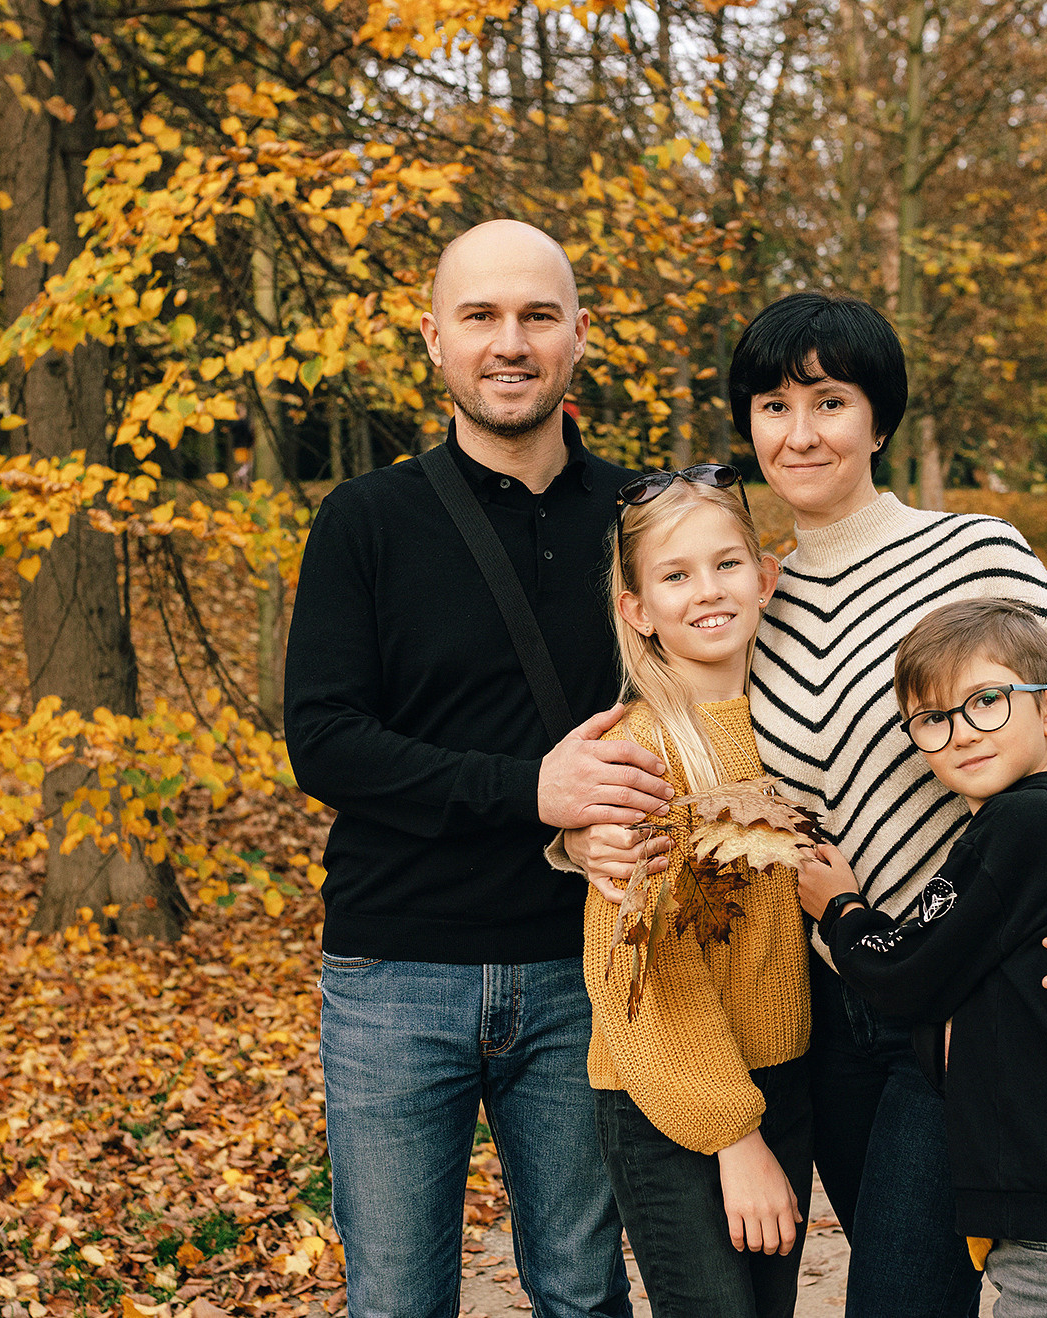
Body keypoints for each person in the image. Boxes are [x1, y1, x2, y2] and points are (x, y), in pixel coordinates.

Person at [560, 292, 1047, 1317]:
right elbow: (689, 753)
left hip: (970, 1001)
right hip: (831, 1020)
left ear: (878, 417)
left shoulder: (975, 555)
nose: (799, 432)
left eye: (829, 400)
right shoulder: (751, 597)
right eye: (771, 405)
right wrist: (578, 831)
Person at [285, 219, 673, 1318]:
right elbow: (323, 739)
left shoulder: (640, 520)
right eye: (481, 316)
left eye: (537, 316)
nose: (510, 342)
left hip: (582, 965)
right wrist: (529, 793)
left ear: (578, 337)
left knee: (581, 1291)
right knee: (399, 1299)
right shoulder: (366, 520)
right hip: (394, 973)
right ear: (433, 340)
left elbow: (702, 707)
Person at [796, 597, 1047, 1318]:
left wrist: (841, 909)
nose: (961, 734)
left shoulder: (1025, 825)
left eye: (986, 702)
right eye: (932, 720)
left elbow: (910, 972)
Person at [581, 466, 811, 1318]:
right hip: (674, 1101)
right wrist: (736, 1137)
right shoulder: (642, 756)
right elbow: (639, 982)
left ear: (766, 576)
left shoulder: (792, 729)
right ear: (637, 609)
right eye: (675, 576)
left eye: (726, 565)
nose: (706, 592)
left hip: (781, 1076)